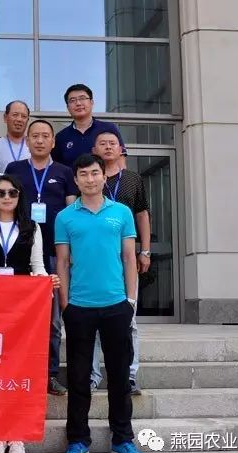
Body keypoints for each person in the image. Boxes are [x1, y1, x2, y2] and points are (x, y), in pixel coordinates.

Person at [55, 154, 142, 453]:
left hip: (116, 305)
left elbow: (129, 258)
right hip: (79, 306)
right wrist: (65, 304)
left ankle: (123, 438)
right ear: (76, 180)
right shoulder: (65, 217)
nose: (90, 179)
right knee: (79, 378)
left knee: (119, 376)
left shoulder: (121, 212)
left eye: (95, 173)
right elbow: (62, 262)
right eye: (84, 174)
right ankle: (78, 439)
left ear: (104, 177)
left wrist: (130, 301)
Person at [0, 175, 60, 453]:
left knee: (19, 370)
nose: (6, 197)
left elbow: (37, 265)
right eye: (1, 193)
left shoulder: (31, 226)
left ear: (19, 196)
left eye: (12, 192)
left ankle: (17, 434)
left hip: (23, 309)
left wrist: (46, 283)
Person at [6, 119, 78, 396]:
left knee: (52, 321)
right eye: (34, 136)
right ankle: (17, 372)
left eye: (45, 136)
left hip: (53, 255)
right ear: (27, 141)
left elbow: (71, 212)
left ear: (53, 141)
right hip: (19, 255)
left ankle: (50, 374)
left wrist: (69, 252)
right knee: (17, 319)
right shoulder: (14, 169)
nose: (39, 140)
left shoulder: (64, 171)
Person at [90, 131, 152, 395]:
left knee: (129, 319)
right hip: (94, 260)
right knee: (92, 322)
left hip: (125, 258)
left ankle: (130, 375)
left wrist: (145, 251)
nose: (107, 147)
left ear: (121, 149)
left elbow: (142, 214)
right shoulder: (90, 178)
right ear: (94, 149)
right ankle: (92, 376)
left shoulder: (132, 179)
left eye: (112, 143)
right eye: (102, 144)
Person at [52, 84, 126, 169]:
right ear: (68, 107)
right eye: (72, 100)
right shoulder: (61, 137)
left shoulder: (109, 128)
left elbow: (120, 163)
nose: (78, 103)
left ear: (91, 102)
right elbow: (57, 168)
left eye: (82, 98)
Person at [0, 100, 31, 173]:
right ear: (5, 118)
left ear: (27, 120)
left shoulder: (35, 145)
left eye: (24, 116)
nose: (19, 119)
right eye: (15, 115)